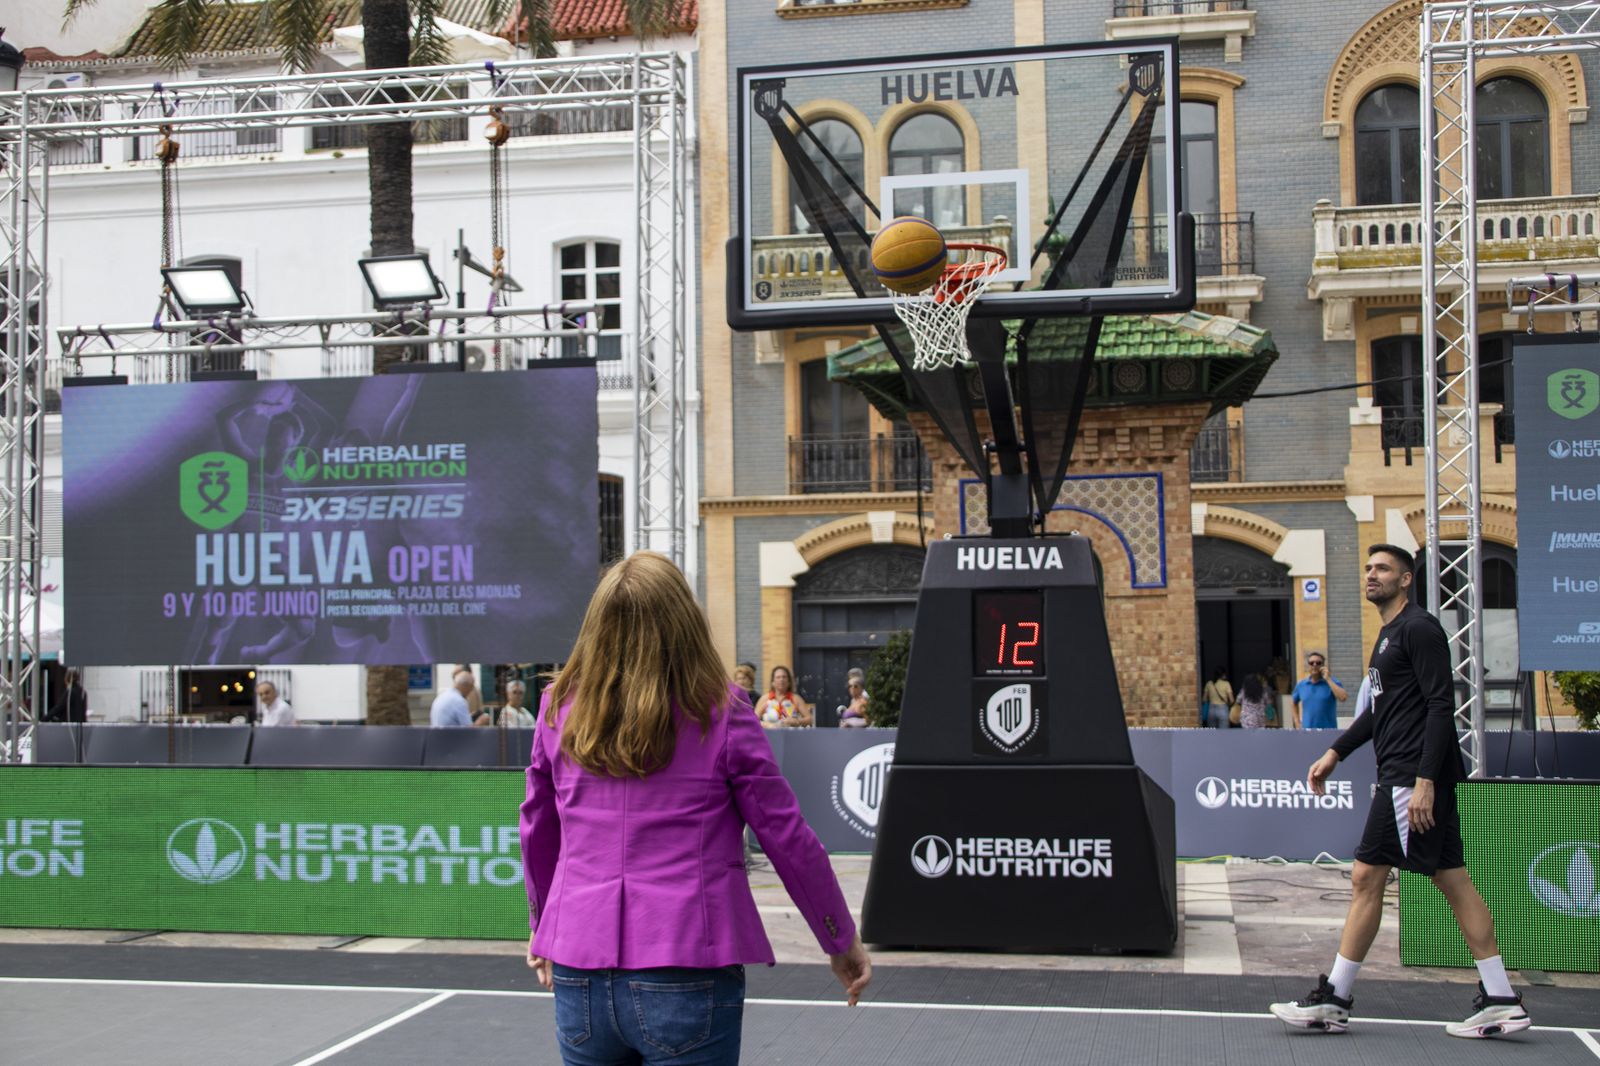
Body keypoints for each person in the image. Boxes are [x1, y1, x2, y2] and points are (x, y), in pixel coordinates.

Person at [520, 552, 872, 1064]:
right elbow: (787, 837)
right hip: (687, 963)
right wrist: (839, 937)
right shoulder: (722, 712)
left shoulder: (558, 709)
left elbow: (537, 828)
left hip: (579, 966)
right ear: (685, 622)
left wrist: (540, 926)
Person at [1270, 544, 1530, 1040]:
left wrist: (1425, 782)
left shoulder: (1419, 628)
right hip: (1405, 775)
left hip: (1410, 779)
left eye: (1382, 569)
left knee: (1368, 876)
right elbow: (1378, 713)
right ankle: (1500, 998)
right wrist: (1335, 752)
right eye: (1367, 568)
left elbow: (1439, 705)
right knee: (1450, 879)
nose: (1371, 575)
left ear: (1405, 579)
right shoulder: (1388, 636)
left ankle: (1335, 999)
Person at [1292, 650, 1347, 730]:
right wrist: (1297, 722)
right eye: (1311, 663)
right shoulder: (1301, 685)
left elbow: (1343, 698)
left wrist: (1328, 679)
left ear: (1323, 666)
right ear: (1308, 666)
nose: (1315, 665)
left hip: (1328, 732)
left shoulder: (1332, 682)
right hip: (1307, 732)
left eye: (1318, 663)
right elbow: (1293, 702)